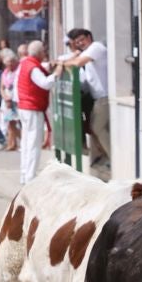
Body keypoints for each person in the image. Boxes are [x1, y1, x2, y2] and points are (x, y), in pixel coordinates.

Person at [56, 27, 110, 180]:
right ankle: (102, 161)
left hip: (104, 97)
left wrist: (62, 63)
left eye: (82, 40)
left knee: (97, 127)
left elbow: (77, 63)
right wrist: (66, 59)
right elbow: (74, 60)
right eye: (77, 42)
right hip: (96, 97)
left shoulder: (96, 47)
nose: (80, 43)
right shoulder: (87, 51)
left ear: (89, 37)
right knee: (94, 130)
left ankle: (112, 158)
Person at [14, 40, 55, 186]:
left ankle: (25, 174)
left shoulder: (25, 63)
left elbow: (41, 68)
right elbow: (45, 83)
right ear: (38, 53)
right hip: (32, 108)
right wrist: (56, 74)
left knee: (26, 143)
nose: (45, 54)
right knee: (33, 144)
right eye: (43, 51)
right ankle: (30, 178)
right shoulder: (32, 66)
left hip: (25, 107)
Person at [0, 48, 19, 155]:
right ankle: (11, 143)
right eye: (7, 62)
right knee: (10, 123)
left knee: (17, 122)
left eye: (11, 61)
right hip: (7, 101)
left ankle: (16, 142)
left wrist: (10, 99)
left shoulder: (17, 72)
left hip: (15, 101)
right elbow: (1, 87)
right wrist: (5, 97)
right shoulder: (5, 73)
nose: (10, 64)